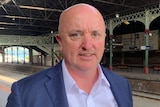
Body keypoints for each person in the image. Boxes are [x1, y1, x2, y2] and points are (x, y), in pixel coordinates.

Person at [6, 3, 133, 107]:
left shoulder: (122, 86)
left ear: (104, 38)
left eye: (95, 34)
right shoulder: (24, 94)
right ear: (60, 41)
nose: (87, 45)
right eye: (76, 35)